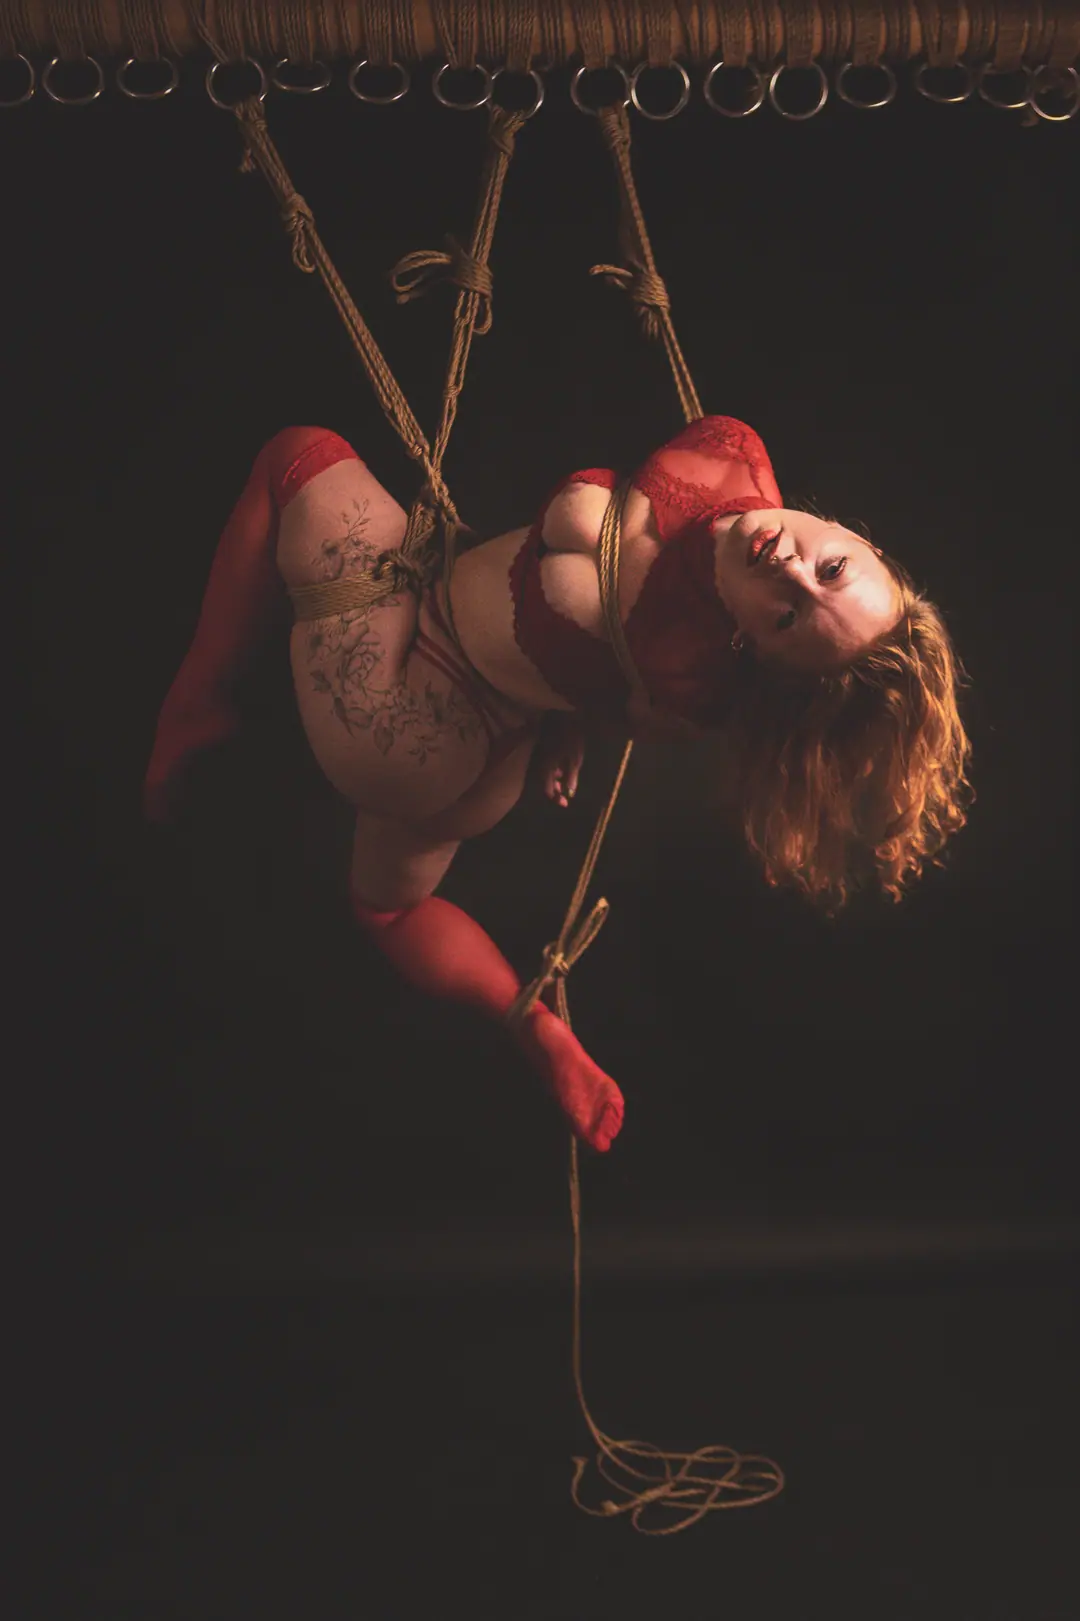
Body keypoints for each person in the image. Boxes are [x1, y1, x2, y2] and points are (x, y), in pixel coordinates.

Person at [144, 416, 973, 1153]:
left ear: (752, 647)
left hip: (410, 711)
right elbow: (600, 667)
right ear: (846, 530)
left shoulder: (692, 674)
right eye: (831, 568)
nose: (791, 570)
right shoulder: (734, 457)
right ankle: (530, 1021)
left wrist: (576, 700)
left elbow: (610, 621)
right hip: (493, 753)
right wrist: (568, 723)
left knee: (296, 457)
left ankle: (198, 696)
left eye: (788, 616)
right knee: (387, 907)